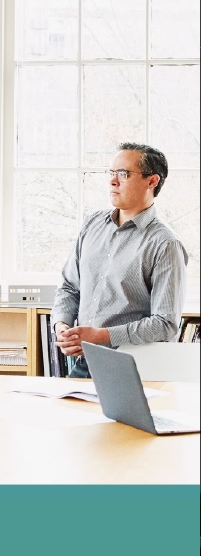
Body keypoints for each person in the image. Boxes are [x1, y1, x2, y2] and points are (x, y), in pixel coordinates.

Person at [52, 142, 188, 379]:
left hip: (133, 368)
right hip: (85, 362)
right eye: (112, 173)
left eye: (124, 174)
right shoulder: (92, 225)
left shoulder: (165, 244)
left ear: (152, 181)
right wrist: (61, 326)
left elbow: (165, 324)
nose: (113, 181)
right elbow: (69, 287)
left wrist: (101, 335)